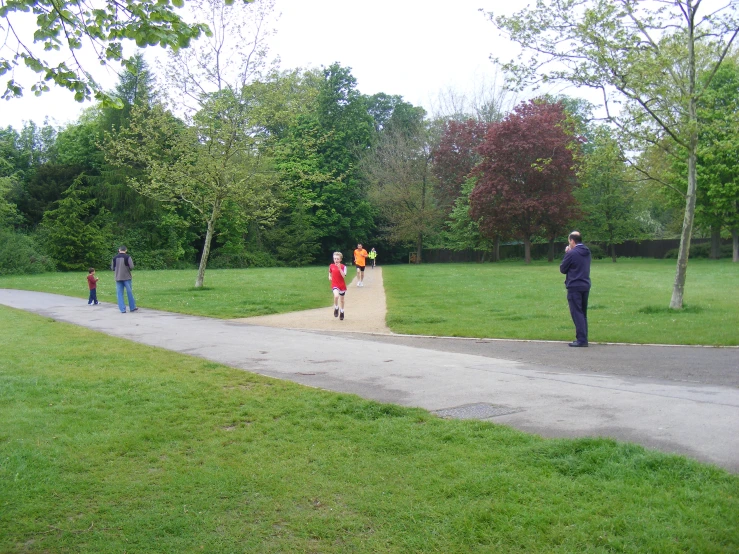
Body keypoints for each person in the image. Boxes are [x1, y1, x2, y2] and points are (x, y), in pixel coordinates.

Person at [560, 231, 591, 347]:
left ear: (572, 241)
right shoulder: (587, 251)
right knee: (583, 313)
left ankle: (582, 340)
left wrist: (567, 253)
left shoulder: (571, 253)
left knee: (576, 313)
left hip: (574, 285)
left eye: (569, 241)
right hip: (585, 284)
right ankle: (583, 337)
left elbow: (563, 269)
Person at [111, 246, 138, 313]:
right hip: (126, 277)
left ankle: (122, 309)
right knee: (129, 292)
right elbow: (131, 266)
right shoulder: (128, 257)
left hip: (118, 277)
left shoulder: (114, 258)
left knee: (119, 293)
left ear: (119, 250)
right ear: (126, 250)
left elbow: (112, 268)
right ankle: (132, 307)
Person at [329, 251, 347, 320]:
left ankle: (342, 311)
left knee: (342, 300)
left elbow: (344, 276)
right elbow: (330, 272)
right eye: (335, 259)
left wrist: (340, 269)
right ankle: (336, 307)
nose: (336, 260)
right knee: (336, 296)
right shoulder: (331, 266)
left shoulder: (343, 267)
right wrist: (329, 276)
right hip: (334, 284)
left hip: (341, 285)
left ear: (340, 259)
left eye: (337, 259)